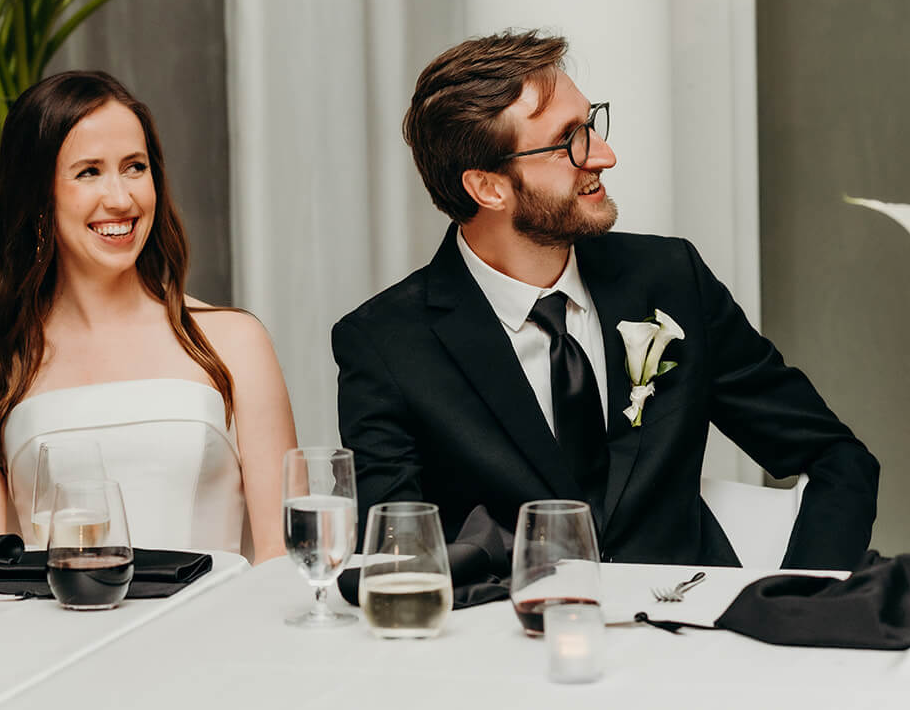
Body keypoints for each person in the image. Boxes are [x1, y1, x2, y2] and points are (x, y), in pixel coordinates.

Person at [332, 31, 878, 570]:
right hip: (512, 642)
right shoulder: (385, 344)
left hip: (692, 634)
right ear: (488, 188)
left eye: (591, 125)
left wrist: (803, 599)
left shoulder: (670, 279)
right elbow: (397, 556)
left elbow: (837, 458)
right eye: (569, 139)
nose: (604, 156)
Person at [0, 70, 296, 559]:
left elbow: (285, 563)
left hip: (212, 633)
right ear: (39, 197)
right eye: (89, 172)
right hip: (56, 633)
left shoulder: (234, 341)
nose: (121, 198)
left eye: (135, 166)